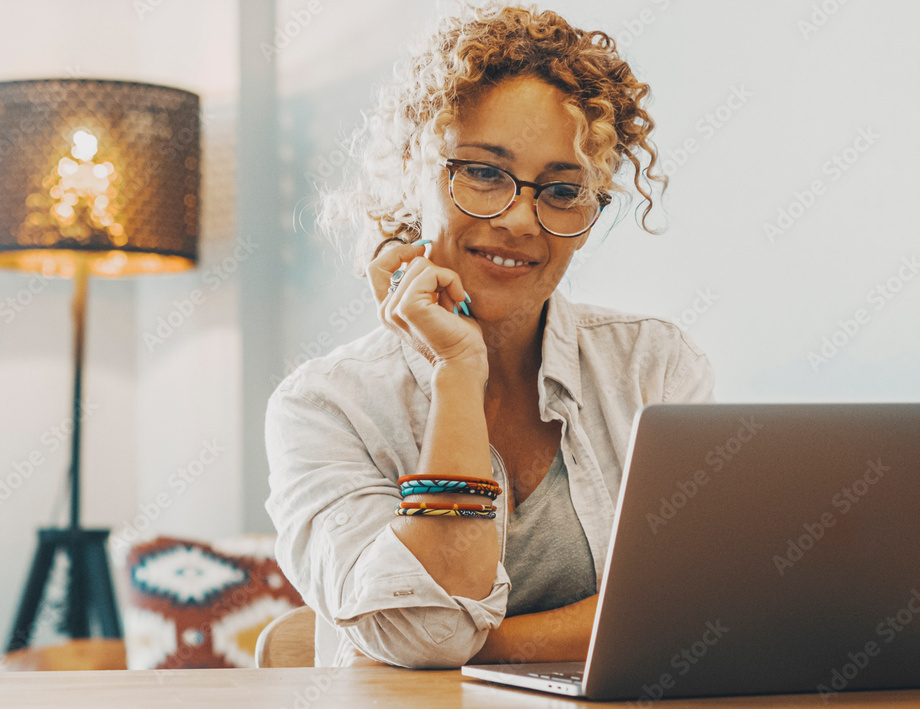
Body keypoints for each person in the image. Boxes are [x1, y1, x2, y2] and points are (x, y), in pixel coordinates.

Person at [264, 1, 715, 669]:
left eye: (563, 190)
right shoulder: (324, 407)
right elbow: (424, 633)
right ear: (417, 170)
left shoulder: (653, 365)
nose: (519, 219)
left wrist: (483, 644)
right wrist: (456, 367)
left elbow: (694, 606)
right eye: (481, 172)